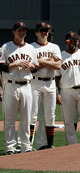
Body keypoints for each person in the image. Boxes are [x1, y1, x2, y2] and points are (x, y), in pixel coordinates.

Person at [0, 21, 38, 155]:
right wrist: (15, 64)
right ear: (14, 32)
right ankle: (10, 147)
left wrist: (31, 66)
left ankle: (26, 145)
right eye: (19, 30)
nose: (22, 32)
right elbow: (1, 66)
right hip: (11, 85)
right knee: (9, 119)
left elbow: (36, 67)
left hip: (27, 85)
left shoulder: (31, 48)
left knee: (26, 118)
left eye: (24, 30)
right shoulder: (6, 47)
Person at [29, 22, 62, 150]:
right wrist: (50, 61)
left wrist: (39, 61)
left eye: (46, 31)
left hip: (50, 83)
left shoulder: (54, 47)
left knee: (50, 116)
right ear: (36, 33)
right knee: (32, 115)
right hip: (35, 82)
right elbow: (32, 68)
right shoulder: (31, 47)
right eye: (41, 31)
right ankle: (28, 145)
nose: (44, 33)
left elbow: (58, 66)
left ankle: (49, 145)